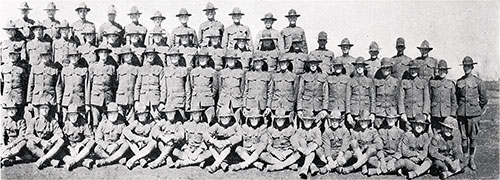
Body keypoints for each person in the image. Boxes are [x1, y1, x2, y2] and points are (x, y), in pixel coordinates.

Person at [455, 56, 488, 170]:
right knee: (464, 138)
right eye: (464, 66)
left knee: (473, 137)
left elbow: (484, 99)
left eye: (468, 66)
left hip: (474, 114)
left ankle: (472, 159)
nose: (466, 68)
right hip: (461, 113)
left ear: (472, 67)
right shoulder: (459, 81)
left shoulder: (478, 82)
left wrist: (477, 108)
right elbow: (457, 97)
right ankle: (465, 158)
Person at [339, 110, 383, 175]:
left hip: (369, 155)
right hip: (358, 154)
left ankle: (353, 167)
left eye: (365, 121)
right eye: (361, 121)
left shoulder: (373, 131)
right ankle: (363, 165)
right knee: (353, 143)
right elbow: (351, 145)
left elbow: (379, 145)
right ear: (359, 122)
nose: (363, 123)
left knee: (371, 153)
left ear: (369, 122)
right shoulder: (355, 132)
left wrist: (368, 146)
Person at [171, 102, 212, 168]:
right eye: (193, 113)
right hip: (188, 150)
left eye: (197, 113)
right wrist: (187, 151)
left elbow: (206, 141)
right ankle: (198, 161)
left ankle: (184, 163)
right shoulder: (186, 124)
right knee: (174, 151)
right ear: (191, 114)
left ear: (200, 113)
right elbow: (182, 140)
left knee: (210, 152)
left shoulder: (205, 125)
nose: (195, 115)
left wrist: (198, 151)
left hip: (200, 150)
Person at [27, 44, 61, 119]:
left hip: (50, 99)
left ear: (50, 56)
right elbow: (31, 85)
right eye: (43, 55)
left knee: (51, 121)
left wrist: (58, 102)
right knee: (37, 121)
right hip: (37, 99)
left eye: (47, 55)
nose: (45, 57)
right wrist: (29, 101)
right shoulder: (34, 68)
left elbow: (58, 87)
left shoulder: (54, 69)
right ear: (40, 56)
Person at [26, 103, 65, 169]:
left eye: (46, 108)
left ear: (49, 109)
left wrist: (50, 142)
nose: (44, 110)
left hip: (49, 146)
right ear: (39, 110)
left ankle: (43, 159)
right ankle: (51, 161)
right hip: (39, 146)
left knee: (61, 141)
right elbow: (28, 134)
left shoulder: (53, 121)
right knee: (29, 143)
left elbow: (59, 134)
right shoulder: (34, 120)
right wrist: (41, 141)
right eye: (42, 108)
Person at [87, 44, 117, 128]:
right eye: (101, 52)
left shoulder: (112, 67)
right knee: (95, 121)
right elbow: (89, 85)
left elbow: (114, 84)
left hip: (108, 97)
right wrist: (88, 101)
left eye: (105, 52)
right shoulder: (93, 67)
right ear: (98, 54)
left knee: (107, 120)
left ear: (108, 54)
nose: (103, 54)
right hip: (96, 98)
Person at [206, 105, 242, 173]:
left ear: (230, 117)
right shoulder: (217, 125)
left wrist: (228, 141)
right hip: (219, 147)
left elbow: (239, 137)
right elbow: (206, 133)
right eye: (222, 117)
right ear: (219, 118)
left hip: (230, 150)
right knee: (211, 147)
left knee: (227, 148)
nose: (225, 119)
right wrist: (214, 141)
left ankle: (215, 165)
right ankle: (222, 164)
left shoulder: (235, 125)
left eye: (227, 117)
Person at [395, 113, 432, 179]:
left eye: (421, 125)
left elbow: (425, 151)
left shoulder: (425, 136)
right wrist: (415, 154)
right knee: (405, 162)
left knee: (429, 161)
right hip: (410, 160)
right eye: (417, 124)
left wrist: (419, 158)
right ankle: (421, 170)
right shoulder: (407, 135)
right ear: (413, 125)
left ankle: (414, 173)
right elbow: (405, 152)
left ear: (424, 127)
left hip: (420, 160)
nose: (419, 127)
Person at [148, 104, 185, 169]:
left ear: (175, 113)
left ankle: (158, 161)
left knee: (171, 142)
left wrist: (172, 137)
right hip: (165, 145)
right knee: (160, 142)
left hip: (176, 145)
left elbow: (181, 135)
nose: (170, 114)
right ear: (165, 114)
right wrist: (161, 136)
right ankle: (168, 159)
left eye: (172, 112)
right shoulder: (163, 122)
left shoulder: (178, 123)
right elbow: (154, 130)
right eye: (168, 113)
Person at [57, 47, 88, 122]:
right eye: (71, 56)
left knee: (81, 121)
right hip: (67, 100)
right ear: (69, 58)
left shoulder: (83, 70)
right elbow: (60, 87)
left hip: (79, 101)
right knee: (66, 122)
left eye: (75, 56)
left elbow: (87, 88)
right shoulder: (64, 70)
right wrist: (59, 102)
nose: (74, 58)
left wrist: (87, 104)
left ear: (78, 57)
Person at [122, 102, 157, 169]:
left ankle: (133, 159)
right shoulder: (135, 123)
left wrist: (141, 139)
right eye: (139, 114)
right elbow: (125, 130)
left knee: (153, 143)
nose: (141, 116)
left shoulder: (152, 124)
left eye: (143, 114)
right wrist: (135, 138)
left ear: (146, 114)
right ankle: (142, 159)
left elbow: (151, 138)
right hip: (136, 146)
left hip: (146, 146)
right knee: (128, 140)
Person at [297, 56, 328, 129]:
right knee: (305, 128)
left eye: (315, 63)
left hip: (318, 107)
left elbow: (325, 94)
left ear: (317, 65)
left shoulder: (323, 77)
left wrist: (325, 109)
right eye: (311, 64)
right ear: (308, 65)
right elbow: (300, 94)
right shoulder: (304, 77)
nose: (313, 65)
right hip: (307, 106)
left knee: (318, 128)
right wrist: (299, 109)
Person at [94, 103, 130, 167]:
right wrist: (106, 146)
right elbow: (98, 138)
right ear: (107, 114)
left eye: (115, 113)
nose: (113, 115)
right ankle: (116, 159)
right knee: (97, 149)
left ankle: (106, 161)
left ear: (117, 114)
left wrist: (116, 145)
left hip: (116, 148)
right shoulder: (102, 124)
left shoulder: (121, 124)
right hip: (106, 149)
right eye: (110, 113)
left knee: (126, 145)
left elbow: (124, 137)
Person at [188, 48, 218, 124]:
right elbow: (192, 85)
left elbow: (215, 87)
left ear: (208, 59)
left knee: (209, 121)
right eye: (200, 58)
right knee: (195, 121)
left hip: (208, 100)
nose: (202, 59)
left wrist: (210, 95)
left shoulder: (212, 72)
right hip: (196, 99)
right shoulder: (193, 71)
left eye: (204, 57)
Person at [399, 60, 430, 132]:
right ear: (409, 70)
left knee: (420, 134)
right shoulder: (404, 82)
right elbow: (400, 99)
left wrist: (425, 113)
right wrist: (402, 113)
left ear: (418, 70)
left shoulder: (423, 82)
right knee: (408, 133)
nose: (413, 71)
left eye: (415, 69)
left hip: (419, 114)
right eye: (411, 69)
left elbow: (427, 99)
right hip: (408, 114)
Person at [61, 104, 95, 171]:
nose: (73, 117)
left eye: (75, 115)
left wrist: (81, 144)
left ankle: (73, 162)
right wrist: (70, 148)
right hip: (69, 149)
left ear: (78, 115)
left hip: (80, 149)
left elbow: (90, 137)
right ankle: (83, 162)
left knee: (92, 142)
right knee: (59, 149)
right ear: (68, 116)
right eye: (71, 115)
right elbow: (64, 139)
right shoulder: (66, 124)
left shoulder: (83, 122)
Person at [346, 57, 375, 129]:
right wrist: (348, 113)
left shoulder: (369, 81)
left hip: (366, 111)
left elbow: (373, 98)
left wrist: (372, 113)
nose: (359, 68)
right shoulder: (351, 81)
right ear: (355, 67)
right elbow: (347, 98)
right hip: (354, 112)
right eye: (358, 66)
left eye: (361, 66)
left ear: (364, 68)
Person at [292, 110, 322, 178]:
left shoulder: (316, 130)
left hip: (312, 152)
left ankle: (304, 168)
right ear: (303, 121)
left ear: (312, 121)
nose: (307, 122)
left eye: (309, 120)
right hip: (303, 153)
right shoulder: (300, 130)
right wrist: (301, 149)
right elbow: (294, 140)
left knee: (312, 147)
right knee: (301, 140)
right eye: (305, 120)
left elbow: (319, 140)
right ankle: (312, 166)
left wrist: (310, 149)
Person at [429, 60, 457, 133]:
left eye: (443, 70)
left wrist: (452, 115)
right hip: (435, 113)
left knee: (446, 133)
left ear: (447, 72)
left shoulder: (450, 84)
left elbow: (454, 101)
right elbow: (429, 98)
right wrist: (428, 113)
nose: (442, 72)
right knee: (435, 133)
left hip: (447, 114)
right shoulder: (432, 83)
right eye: (440, 70)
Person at [269, 55, 298, 125]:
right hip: (276, 103)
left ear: (288, 64)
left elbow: (295, 92)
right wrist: (269, 105)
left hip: (288, 104)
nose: (283, 64)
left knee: (289, 124)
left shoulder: (293, 76)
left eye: (284, 62)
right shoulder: (274, 76)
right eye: (281, 63)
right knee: (275, 124)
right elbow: (271, 91)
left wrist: (293, 104)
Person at [0, 46, 29, 118]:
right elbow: (1, 83)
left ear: (18, 55)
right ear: (8, 55)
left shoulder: (22, 69)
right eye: (11, 54)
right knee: (6, 117)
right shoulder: (3, 68)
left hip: (18, 96)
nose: (12, 56)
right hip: (7, 95)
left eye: (15, 54)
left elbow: (25, 84)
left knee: (20, 116)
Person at [218, 50, 246, 124]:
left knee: (237, 120)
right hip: (224, 99)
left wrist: (241, 101)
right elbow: (220, 88)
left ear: (236, 60)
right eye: (228, 59)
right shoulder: (222, 72)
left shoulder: (241, 72)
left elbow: (242, 88)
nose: (230, 61)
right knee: (224, 119)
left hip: (236, 100)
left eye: (232, 59)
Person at [134, 47, 166, 111]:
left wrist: (162, 101)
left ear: (154, 56)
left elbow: (163, 87)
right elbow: (137, 86)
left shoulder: (159, 69)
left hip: (155, 100)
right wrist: (136, 100)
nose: (150, 57)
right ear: (145, 56)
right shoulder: (141, 69)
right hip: (143, 100)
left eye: (152, 55)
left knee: (157, 118)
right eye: (148, 55)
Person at [243, 52, 272, 120]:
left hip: (263, 105)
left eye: (259, 61)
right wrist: (244, 106)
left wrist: (268, 106)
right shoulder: (248, 75)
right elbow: (245, 91)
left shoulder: (267, 75)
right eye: (255, 62)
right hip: (250, 105)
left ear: (262, 63)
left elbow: (270, 92)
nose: (257, 64)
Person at [163, 47, 190, 120]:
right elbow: (163, 88)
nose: (174, 58)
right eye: (172, 56)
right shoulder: (166, 70)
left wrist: (187, 103)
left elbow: (187, 89)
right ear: (170, 58)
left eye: (176, 56)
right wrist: (163, 101)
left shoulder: (184, 70)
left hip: (180, 102)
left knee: (181, 121)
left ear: (179, 57)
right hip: (169, 101)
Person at [373, 58, 400, 129]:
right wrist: (373, 112)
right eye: (383, 68)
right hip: (379, 113)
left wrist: (397, 112)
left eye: (387, 68)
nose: (385, 70)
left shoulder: (395, 81)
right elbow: (373, 98)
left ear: (390, 69)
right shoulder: (375, 81)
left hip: (391, 112)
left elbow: (398, 98)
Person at [116, 46, 139, 122]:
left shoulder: (136, 69)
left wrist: (136, 100)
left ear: (131, 55)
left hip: (130, 98)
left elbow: (137, 85)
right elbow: (115, 83)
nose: (127, 57)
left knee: (131, 121)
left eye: (128, 54)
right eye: (125, 55)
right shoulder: (119, 69)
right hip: (120, 98)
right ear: (122, 56)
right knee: (120, 120)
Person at [1, 100, 28, 167]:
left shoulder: (21, 121)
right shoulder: (4, 120)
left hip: (17, 143)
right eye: (9, 109)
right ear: (7, 111)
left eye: (13, 108)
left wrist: (11, 145)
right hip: (7, 142)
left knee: (24, 142)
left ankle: (6, 156)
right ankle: (7, 159)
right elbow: (1, 135)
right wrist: (4, 145)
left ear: (16, 110)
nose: (11, 111)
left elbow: (22, 136)